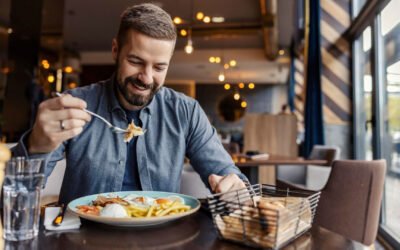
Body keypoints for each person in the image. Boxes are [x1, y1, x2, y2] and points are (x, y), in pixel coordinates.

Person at [11, 3, 247, 205]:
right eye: (136, 61)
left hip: (161, 240)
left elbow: (230, 180)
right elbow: (15, 195)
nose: (146, 78)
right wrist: (36, 146)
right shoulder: (75, 105)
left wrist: (233, 190)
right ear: (115, 50)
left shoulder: (186, 112)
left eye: (159, 68)